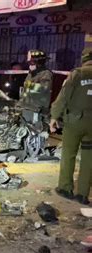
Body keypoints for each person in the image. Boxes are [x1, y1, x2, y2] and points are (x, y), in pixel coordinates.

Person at [50, 47, 92, 205]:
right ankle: (83, 194)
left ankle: (65, 188)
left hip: (74, 122)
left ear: (84, 58)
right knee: (89, 158)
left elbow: (63, 98)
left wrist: (54, 117)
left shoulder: (77, 74)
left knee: (69, 154)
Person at [19, 50, 53, 115]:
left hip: (37, 108)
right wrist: (20, 103)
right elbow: (26, 90)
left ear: (39, 62)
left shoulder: (46, 73)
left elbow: (44, 88)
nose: (30, 64)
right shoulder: (32, 73)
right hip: (27, 106)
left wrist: (28, 86)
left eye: (31, 62)